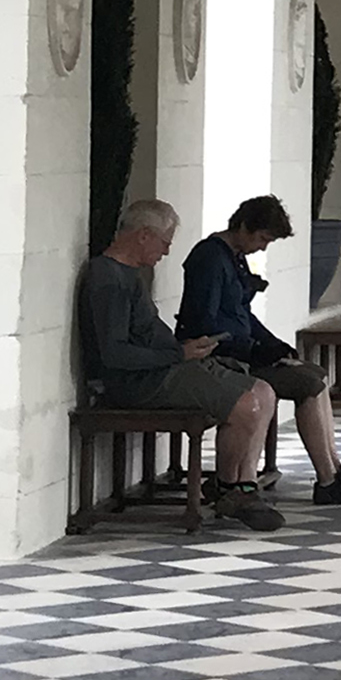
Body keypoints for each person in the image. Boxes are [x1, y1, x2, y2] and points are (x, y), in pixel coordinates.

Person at [77, 198, 282, 531]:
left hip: (166, 366)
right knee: (246, 404)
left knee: (264, 391)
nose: (167, 252)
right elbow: (114, 355)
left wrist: (185, 349)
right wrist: (178, 354)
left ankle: (244, 484)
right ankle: (229, 489)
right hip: (139, 383)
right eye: (165, 243)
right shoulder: (108, 278)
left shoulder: (129, 275)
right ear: (144, 235)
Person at [179, 196, 341, 506]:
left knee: (316, 375)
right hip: (225, 357)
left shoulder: (234, 255)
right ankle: (326, 479)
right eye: (261, 238)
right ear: (243, 226)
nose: (262, 247)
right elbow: (207, 322)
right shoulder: (209, 258)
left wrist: (275, 346)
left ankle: (335, 468)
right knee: (306, 384)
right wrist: (258, 352)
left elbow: (244, 315)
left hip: (243, 350)